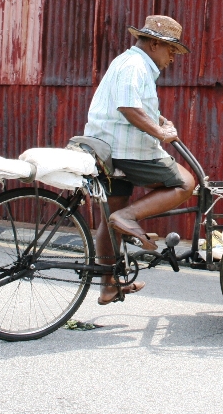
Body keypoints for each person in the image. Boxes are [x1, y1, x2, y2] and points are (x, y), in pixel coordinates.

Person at [84, 15, 196, 305]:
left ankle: (109, 286)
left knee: (112, 215)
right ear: (156, 43)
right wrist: (160, 132)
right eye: (171, 50)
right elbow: (128, 107)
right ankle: (129, 217)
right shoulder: (135, 66)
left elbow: (134, 104)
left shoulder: (128, 63)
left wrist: (158, 118)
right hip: (124, 149)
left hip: (107, 149)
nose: (172, 57)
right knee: (186, 182)